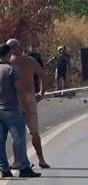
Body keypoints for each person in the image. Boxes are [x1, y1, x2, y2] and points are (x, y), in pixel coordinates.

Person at [6, 39, 50, 169]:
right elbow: (44, 76)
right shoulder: (30, 61)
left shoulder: (9, 63)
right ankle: (41, 159)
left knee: (17, 132)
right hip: (30, 96)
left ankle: (16, 161)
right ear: (19, 47)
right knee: (34, 131)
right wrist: (41, 93)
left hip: (15, 98)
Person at [0, 43, 40, 178]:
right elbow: (20, 90)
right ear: (8, 54)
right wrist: (25, 107)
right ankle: (24, 167)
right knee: (19, 138)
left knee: (0, 140)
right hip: (11, 108)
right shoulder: (11, 70)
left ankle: (4, 169)